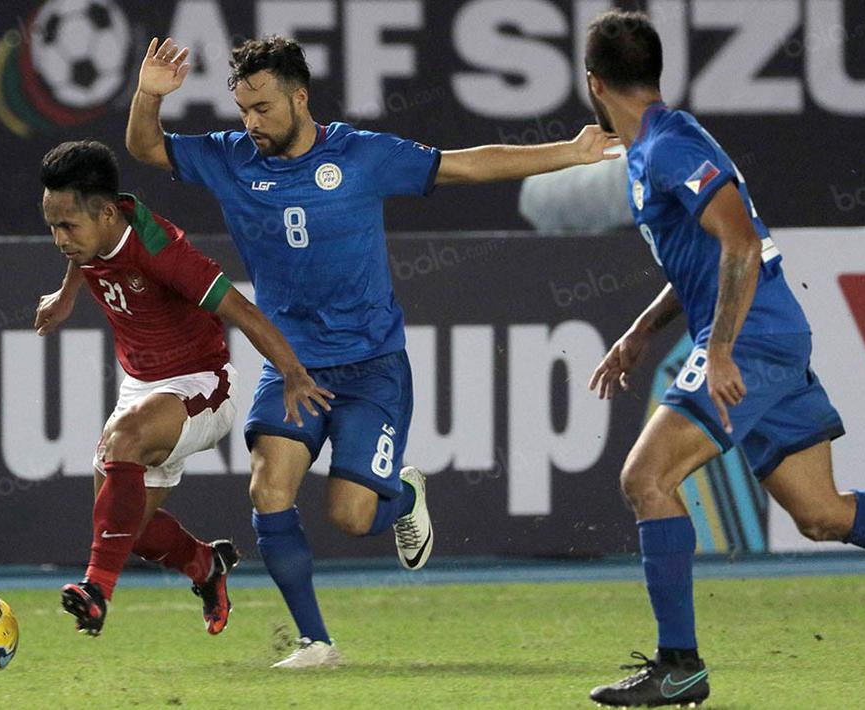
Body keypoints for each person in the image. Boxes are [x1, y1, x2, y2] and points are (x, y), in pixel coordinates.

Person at [126, 35, 619, 667]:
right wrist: (148, 95)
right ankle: (316, 642)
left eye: (264, 108)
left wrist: (571, 152)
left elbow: (466, 165)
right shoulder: (230, 158)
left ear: (300, 98)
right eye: (243, 110)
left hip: (371, 367)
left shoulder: (361, 155)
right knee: (268, 489)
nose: (251, 123)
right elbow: (145, 147)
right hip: (292, 366)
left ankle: (404, 497)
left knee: (353, 517)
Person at [582, 11, 865, 707]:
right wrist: (641, 330)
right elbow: (704, 255)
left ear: (593, 84)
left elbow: (742, 243)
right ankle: (678, 666)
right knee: (821, 513)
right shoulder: (656, 146)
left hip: (750, 339)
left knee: (646, 479)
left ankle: (679, 666)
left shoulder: (669, 146)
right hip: (767, 335)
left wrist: (721, 349)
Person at [32, 140, 332, 638]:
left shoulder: (162, 253)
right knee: (124, 527)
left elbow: (244, 311)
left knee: (124, 444)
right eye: (52, 227)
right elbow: (84, 253)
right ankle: (205, 564)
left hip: (203, 383)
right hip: (141, 387)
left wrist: (294, 373)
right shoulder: (94, 232)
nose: (60, 239)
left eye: (67, 226)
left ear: (106, 214)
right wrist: (66, 296)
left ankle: (96, 591)